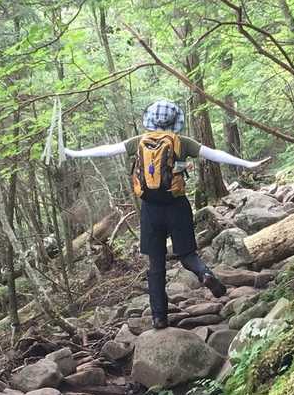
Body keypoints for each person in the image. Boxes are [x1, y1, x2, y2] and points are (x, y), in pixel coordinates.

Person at [64, 100, 269, 329]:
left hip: (150, 210)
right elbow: (215, 154)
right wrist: (247, 164)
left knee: (156, 266)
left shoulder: (139, 141)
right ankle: (205, 274)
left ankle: (159, 317)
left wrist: (73, 153)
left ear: (151, 120)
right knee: (188, 256)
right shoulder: (182, 142)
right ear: (174, 120)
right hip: (177, 206)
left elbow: (106, 150)